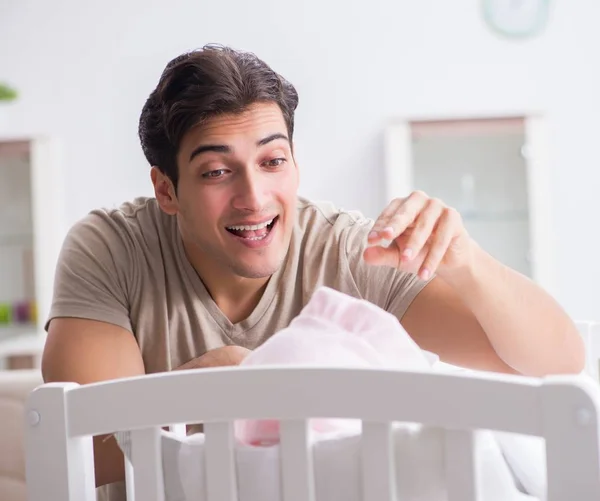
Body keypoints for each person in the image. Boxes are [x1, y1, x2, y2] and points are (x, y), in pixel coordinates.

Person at [41, 44, 584, 500]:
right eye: (216, 171)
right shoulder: (111, 248)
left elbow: (556, 364)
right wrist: (213, 386)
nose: (253, 198)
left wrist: (469, 263)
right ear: (166, 190)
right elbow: (85, 448)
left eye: (273, 161)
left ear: (295, 163)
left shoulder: (348, 251)